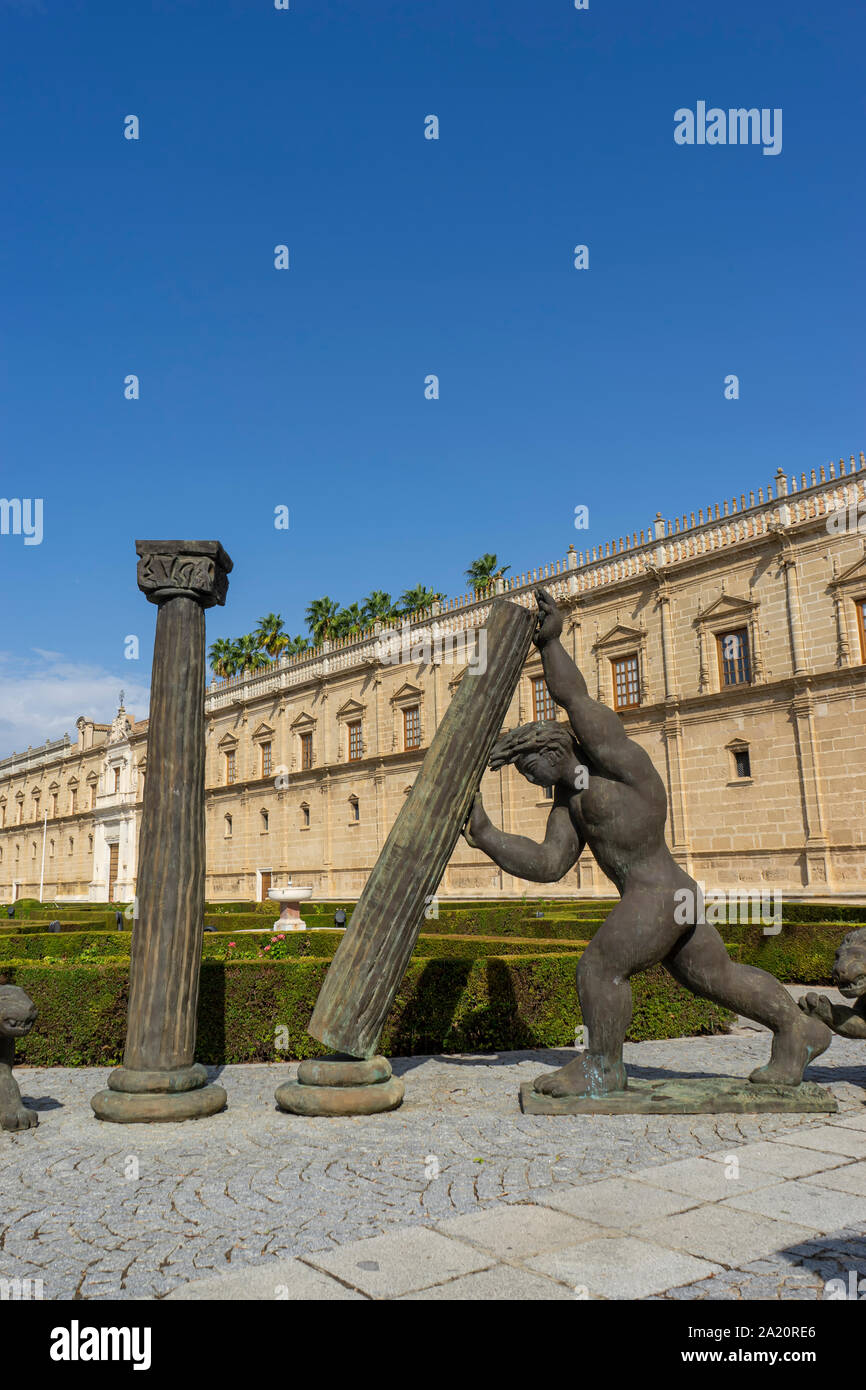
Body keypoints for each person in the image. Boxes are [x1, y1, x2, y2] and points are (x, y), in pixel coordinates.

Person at [464, 588, 831, 1099]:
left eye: (532, 769)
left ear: (553, 749)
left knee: (600, 966)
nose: (533, 780)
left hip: (657, 893)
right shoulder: (569, 804)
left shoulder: (617, 762)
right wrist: (486, 835)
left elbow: (576, 699)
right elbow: (548, 864)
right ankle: (799, 1031)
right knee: (718, 978)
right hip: (674, 893)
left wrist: (550, 645)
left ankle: (603, 1066)